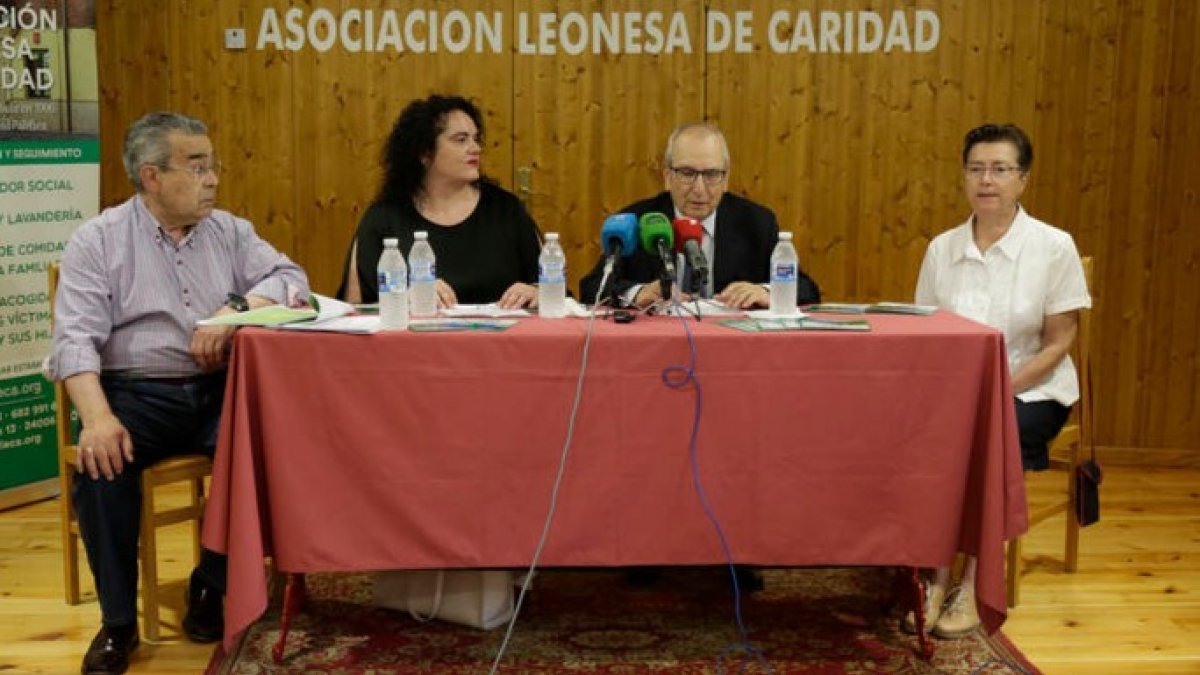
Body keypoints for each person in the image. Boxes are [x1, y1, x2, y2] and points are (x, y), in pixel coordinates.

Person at [47, 112, 309, 675]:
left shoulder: (231, 231)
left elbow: (293, 280)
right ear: (152, 177)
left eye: (213, 164)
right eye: (197, 166)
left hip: (219, 389)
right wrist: (95, 418)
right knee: (101, 467)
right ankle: (117, 624)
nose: (213, 177)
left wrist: (233, 313)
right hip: (132, 394)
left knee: (272, 450)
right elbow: (73, 341)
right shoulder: (98, 240)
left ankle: (209, 586)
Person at [909, 123, 1091, 638]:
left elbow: (1058, 343)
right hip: (956, 395)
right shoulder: (942, 249)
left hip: (1032, 390)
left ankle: (972, 581)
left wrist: (995, 392)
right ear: (964, 176)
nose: (986, 180)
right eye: (976, 168)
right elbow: (928, 335)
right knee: (916, 433)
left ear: (1022, 181)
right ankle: (934, 575)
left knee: (990, 435)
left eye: (1000, 169)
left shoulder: (1054, 246)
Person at [577, 122, 820, 309]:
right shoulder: (638, 220)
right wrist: (637, 293)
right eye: (687, 173)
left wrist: (768, 292)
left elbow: (808, 289)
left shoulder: (756, 223)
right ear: (668, 177)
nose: (700, 189)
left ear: (726, 180)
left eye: (712, 174)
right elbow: (592, 287)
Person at [338, 95, 542, 308]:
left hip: (501, 340)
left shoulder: (506, 209)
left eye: (476, 139)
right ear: (425, 153)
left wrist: (536, 292)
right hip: (412, 339)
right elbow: (355, 307)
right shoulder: (385, 217)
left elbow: (555, 290)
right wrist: (402, 298)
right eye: (461, 139)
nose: (475, 148)